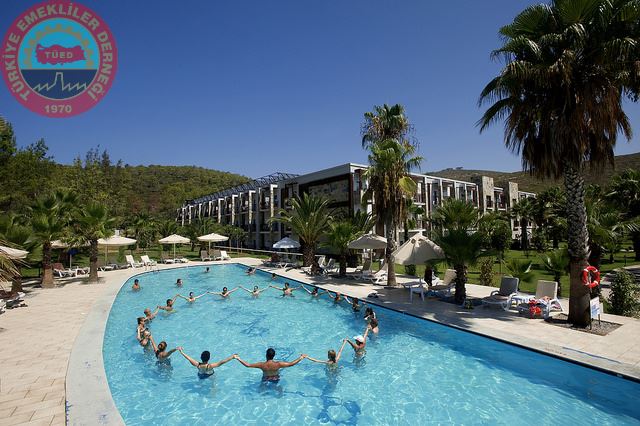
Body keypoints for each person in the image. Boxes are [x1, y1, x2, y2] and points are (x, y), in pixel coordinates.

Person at [235, 348, 306, 382]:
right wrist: (301, 357)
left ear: (266, 355)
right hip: (276, 377)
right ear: (274, 355)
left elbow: (248, 365)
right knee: (278, 389)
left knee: (262, 391)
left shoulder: (261, 365)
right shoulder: (278, 364)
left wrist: (238, 358)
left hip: (266, 378)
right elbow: (291, 364)